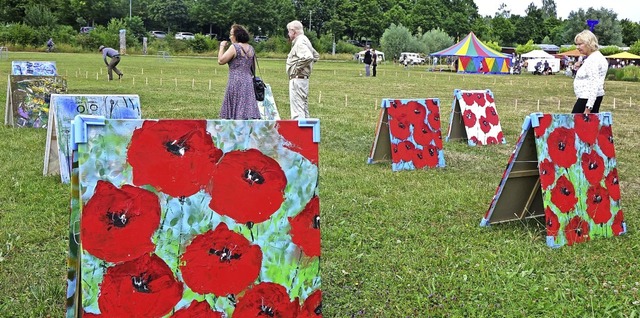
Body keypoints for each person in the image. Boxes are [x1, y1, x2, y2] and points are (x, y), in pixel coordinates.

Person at [218, 24, 260, 120]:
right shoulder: (251, 48)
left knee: (235, 106)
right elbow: (252, 68)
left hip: (236, 80)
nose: (230, 37)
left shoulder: (234, 47)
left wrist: (221, 47)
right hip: (248, 81)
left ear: (237, 35)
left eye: (231, 34)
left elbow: (221, 61)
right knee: (245, 108)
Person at [286, 20, 320, 120]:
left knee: (297, 110)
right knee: (303, 108)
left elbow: (308, 57)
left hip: (297, 78)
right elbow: (316, 56)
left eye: (288, 31)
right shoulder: (305, 40)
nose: (288, 34)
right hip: (303, 79)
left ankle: (298, 134)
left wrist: (297, 68)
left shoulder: (299, 42)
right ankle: (308, 134)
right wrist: (307, 68)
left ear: (293, 31)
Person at [571, 30, 608, 114]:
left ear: (589, 43)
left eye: (580, 44)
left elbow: (594, 83)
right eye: (577, 44)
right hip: (591, 98)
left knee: (575, 125)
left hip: (586, 99)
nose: (577, 47)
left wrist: (588, 108)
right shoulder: (598, 57)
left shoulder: (593, 60)